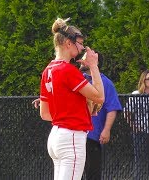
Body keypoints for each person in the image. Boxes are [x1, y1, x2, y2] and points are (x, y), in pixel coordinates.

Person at [39, 17, 104, 180]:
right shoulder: (67, 70)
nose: (82, 47)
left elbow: (45, 114)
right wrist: (94, 66)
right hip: (71, 137)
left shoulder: (48, 70)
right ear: (68, 43)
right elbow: (100, 97)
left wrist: (70, 111)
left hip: (56, 137)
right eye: (80, 43)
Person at [80, 53, 122, 180]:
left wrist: (106, 130)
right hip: (75, 134)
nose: (81, 60)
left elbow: (112, 107)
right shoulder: (77, 79)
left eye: (86, 58)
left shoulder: (106, 83)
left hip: (92, 135)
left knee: (92, 173)